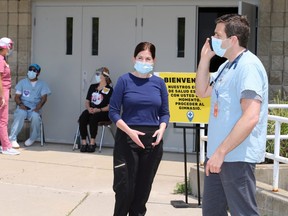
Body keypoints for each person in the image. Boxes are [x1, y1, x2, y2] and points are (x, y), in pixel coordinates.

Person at [195, 14, 268, 216]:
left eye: (218, 35)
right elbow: (201, 91)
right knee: (212, 212)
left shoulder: (249, 67)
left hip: (236, 158)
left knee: (243, 212)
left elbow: (251, 116)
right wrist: (204, 60)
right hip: (218, 157)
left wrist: (221, 152)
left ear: (233, 39)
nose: (212, 39)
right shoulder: (226, 67)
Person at [109, 41, 170, 216]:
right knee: (125, 190)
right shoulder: (124, 80)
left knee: (142, 192)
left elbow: (165, 113)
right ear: (133, 59)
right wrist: (129, 131)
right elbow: (113, 112)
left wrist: (162, 128)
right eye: (140, 58)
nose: (144, 62)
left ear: (154, 61)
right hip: (127, 139)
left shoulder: (159, 83)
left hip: (152, 142)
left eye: (148, 58)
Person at [9, 63, 51, 148]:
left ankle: (32, 138)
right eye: (30, 70)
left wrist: (37, 108)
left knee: (36, 117)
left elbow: (44, 98)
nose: (31, 72)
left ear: (38, 73)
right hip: (23, 106)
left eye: (34, 70)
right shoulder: (22, 82)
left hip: (35, 107)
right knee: (20, 114)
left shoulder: (42, 84)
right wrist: (20, 104)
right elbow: (17, 97)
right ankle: (12, 138)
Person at [78, 67, 113, 153]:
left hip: (103, 112)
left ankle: (92, 142)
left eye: (98, 74)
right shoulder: (92, 87)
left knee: (94, 118)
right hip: (92, 110)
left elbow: (110, 106)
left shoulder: (109, 90)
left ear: (104, 76)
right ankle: (84, 142)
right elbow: (87, 101)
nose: (96, 76)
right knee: (83, 117)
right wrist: (89, 108)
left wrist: (99, 110)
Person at [0, 37, 20, 155]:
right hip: (2, 92)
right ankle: (6, 147)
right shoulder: (1, 60)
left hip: (5, 91)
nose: (10, 49)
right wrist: (2, 96)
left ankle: (4, 145)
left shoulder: (3, 59)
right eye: (10, 46)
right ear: (5, 46)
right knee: (3, 120)